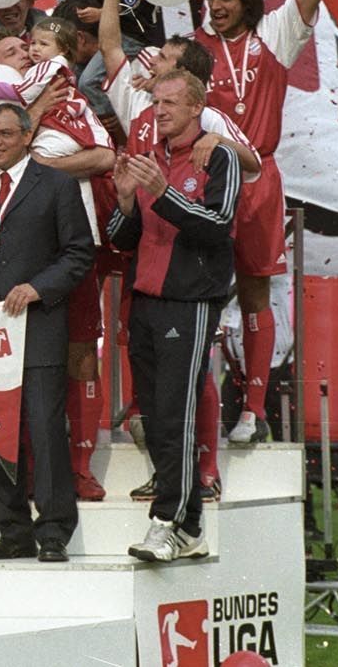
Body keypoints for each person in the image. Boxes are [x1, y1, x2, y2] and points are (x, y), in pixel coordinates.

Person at [192, 0, 338, 446]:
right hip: (207, 184)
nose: (216, 8)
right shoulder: (195, 52)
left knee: (255, 292)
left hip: (258, 183)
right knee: (203, 291)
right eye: (210, 0)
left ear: (248, 1)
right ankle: (196, 408)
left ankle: (252, 410)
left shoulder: (276, 35)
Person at [0, 103, 96, 562]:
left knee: (45, 431)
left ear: (26, 136)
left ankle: (53, 532)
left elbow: (78, 252)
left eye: (5, 133)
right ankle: (13, 531)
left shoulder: (56, 185)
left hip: (40, 327)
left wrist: (37, 288)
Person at [108, 72, 240, 563]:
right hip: (144, 297)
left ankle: (167, 520)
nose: (159, 110)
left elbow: (218, 225)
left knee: (175, 415)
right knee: (156, 417)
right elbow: (125, 237)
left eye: (170, 102)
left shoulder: (217, 156)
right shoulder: (150, 159)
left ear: (195, 108)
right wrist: (125, 201)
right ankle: (189, 529)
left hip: (190, 300)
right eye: (155, 101)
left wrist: (164, 192)